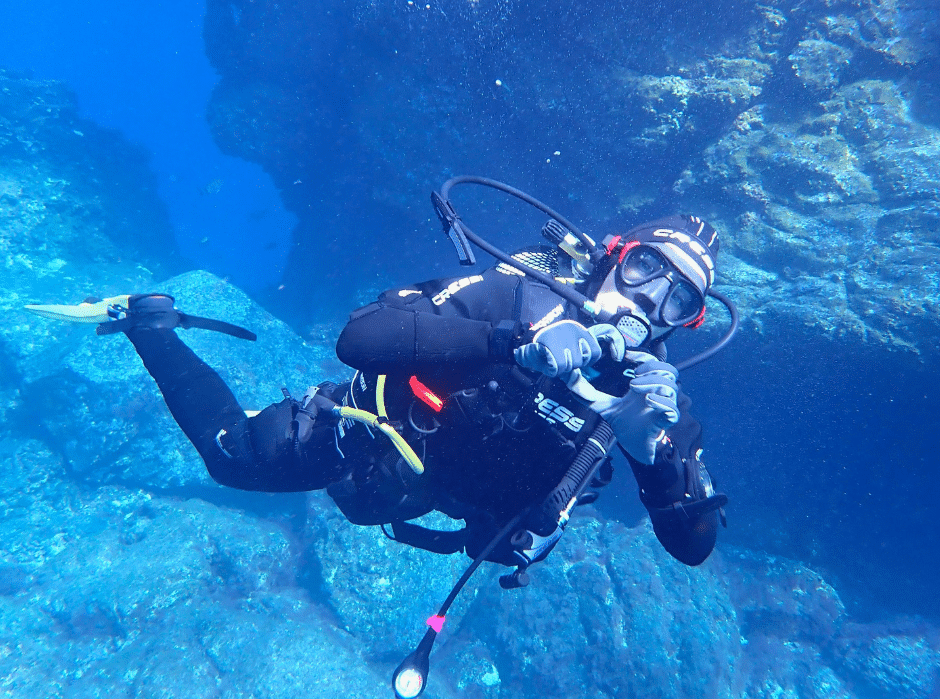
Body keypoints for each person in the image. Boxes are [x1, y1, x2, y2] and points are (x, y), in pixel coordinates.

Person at [29, 182, 732, 696]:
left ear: (689, 322)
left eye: (679, 299)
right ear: (616, 255)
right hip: (369, 440)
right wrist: (514, 346)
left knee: (362, 502)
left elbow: (693, 546)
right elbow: (360, 337)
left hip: (445, 504)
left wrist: (652, 455)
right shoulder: (515, 296)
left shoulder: (657, 406)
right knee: (229, 456)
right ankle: (149, 322)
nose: (648, 300)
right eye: (647, 268)